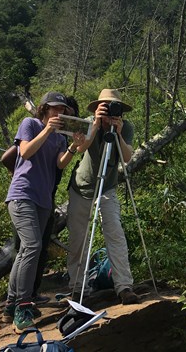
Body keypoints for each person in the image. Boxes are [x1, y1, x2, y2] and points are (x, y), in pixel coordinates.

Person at [4, 91, 86, 333]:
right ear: (44, 109)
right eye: (55, 109)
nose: (59, 113)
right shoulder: (30, 124)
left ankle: (11, 303)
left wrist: (73, 146)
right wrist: (48, 130)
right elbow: (26, 152)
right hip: (22, 195)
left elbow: (60, 163)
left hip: (43, 200)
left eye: (63, 110)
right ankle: (23, 307)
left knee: (26, 251)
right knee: (31, 247)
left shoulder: (60, 137)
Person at [66, 88, 140, 305]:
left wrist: (117, 133)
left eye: (114, 108)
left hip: (107, 188)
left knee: (115, 233)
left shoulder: (125, 128)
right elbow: (80, 149)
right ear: (98, 108)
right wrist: (96, 125)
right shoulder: (89, 122)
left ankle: (124, 286)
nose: (110, 112)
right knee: (78, 239)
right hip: (82, 188)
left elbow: (127, 158)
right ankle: (77, 288)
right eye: (106, 107)